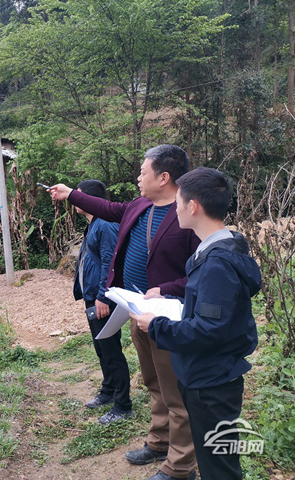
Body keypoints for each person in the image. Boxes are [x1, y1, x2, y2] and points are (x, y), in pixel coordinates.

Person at [49, 145, 200, 480]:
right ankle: (159, 442)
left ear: (164, 177)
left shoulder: (189, 214)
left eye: (143, 172)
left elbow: (200, 273)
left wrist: (167, 288)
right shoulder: (139, 206)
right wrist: (71, 193)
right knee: (154, 382)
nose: (138, 178)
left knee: (175, 392)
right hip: (135, 311)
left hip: (166, 317)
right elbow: (107, 207)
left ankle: (180, 466)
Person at [133, 167, 261, 480]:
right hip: (207, 375)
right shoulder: (218, 250)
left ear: (192, 206)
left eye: (177, 202)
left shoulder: (217, 263)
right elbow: (211, 314)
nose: (174, 209)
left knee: (219, 467)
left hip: (212, 383)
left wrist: (157, 325)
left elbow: (209, 329)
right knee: (211, 459)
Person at [73, 180, 132, 424]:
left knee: (111, 350)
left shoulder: (105, 224)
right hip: (93, 297)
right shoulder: (94, 224)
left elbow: (110, 262)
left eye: (77, 195)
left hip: (102, 299)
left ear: (89, 198)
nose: (74, 200)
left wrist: (102, 297)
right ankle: (108, 390)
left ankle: (123, 405)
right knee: (101, 348)